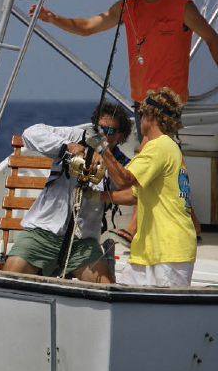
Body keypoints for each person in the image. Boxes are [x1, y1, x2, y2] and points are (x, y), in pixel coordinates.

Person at [29, 0, 218, 245]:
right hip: (141, 101)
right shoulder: (127, 7)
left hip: (168, 103)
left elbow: (211, 37)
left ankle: (133, 225)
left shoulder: (182, 7)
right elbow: (89, 27)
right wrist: (53, 19)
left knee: (146, 155)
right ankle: (190, 220)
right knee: (167, 158)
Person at [2, 103, 132, 283]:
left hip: (83, 242)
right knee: (9, 277)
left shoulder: (120, 163)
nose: (102, 134)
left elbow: (129, 188)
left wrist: (104, 153)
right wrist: (67, 146)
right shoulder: (75, 136)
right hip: (43, 231)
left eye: (109, 131)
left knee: (106, 287)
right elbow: (30, 134)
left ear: (120, 137)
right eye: (99, 129)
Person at [84, 87, 196, 286]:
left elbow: (124, 179)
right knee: (127, 304)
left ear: (151, 116)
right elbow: (135, 195)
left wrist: (102, 147)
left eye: (141, 114)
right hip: (147, 251)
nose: (140, 119)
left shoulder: (159, 147)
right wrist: (94, 195)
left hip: (168, 252)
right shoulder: (168, 147)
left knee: (164, 315)